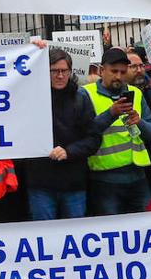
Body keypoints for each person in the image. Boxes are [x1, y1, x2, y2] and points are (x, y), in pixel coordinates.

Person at [24, 49, 101, 220]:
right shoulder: (32, 97)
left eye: (64, 71)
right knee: (44, 237)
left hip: (73, 184)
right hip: (40, 183)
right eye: (54, 71)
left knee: (74, 237)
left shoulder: (81, 98)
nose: (60, 76)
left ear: (70, 71)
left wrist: (69, 151)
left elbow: (94, 138)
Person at [83, 48, 151, 215]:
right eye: (114, 71)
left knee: (144, 229)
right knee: (112, 232)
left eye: (123, 72)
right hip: (104, 179)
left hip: (137, 175)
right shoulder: (86, 93)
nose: (118, 76)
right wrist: (111, 113)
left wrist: (139, 122)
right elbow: (84, 132)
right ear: (102, 70)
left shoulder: (136, 93)